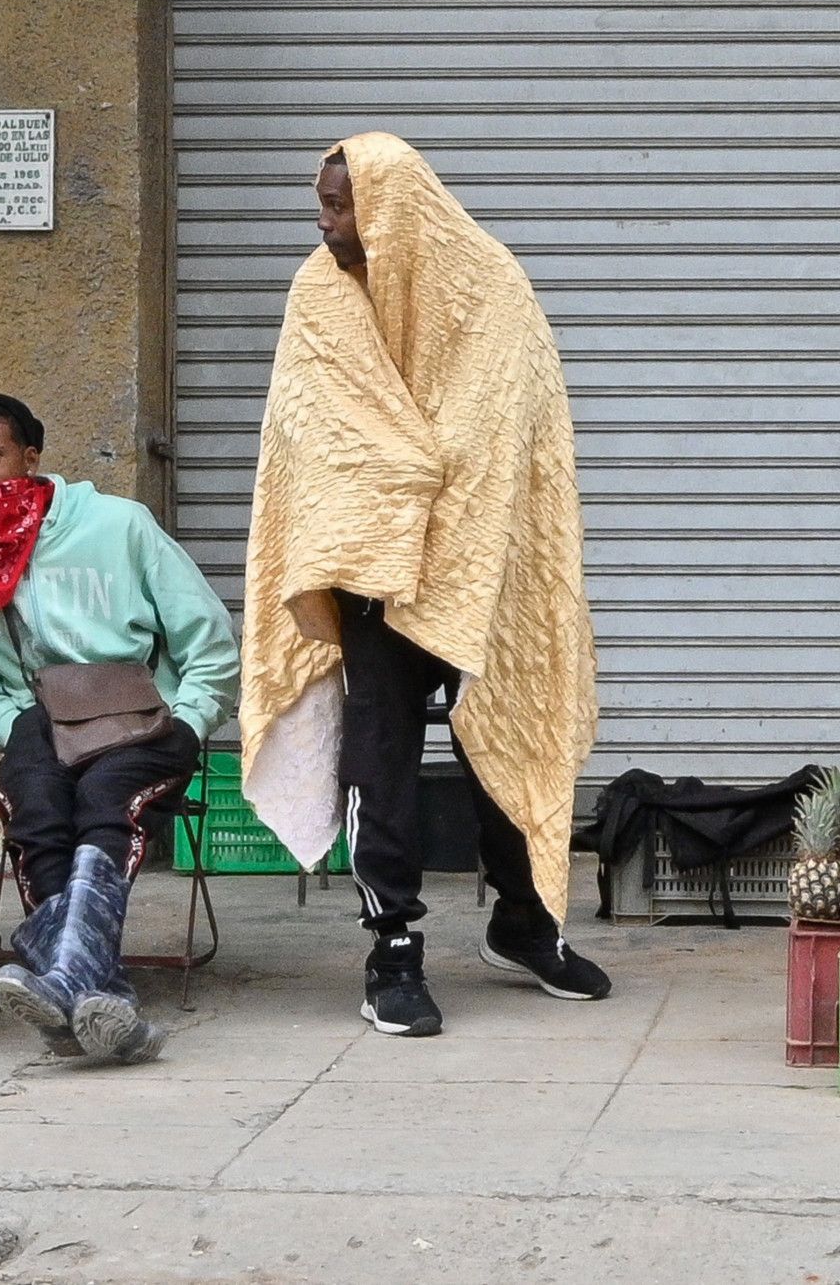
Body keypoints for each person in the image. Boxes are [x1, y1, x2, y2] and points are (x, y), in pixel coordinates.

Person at [237, 132, 608, 1039]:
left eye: (339, 206)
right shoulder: (317, 294)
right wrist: (404, 483)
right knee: (379, 752)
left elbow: (507, 430)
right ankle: (391, 946)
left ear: (391, 208)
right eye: (321, 205)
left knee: (511, 733)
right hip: (371, 566)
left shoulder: (492, 288)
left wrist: (424, 484)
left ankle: (526, 921)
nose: (324, 224)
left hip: (489, 563)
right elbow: (315, 429)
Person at [0, 392, 240, 1064]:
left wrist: (188, 721)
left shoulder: (119, 524)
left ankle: (63, 979)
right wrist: (20, 722)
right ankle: (99, 994)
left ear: (32, 457)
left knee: (105, 800)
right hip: (41, 721)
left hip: (142, 716)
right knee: (37, 807)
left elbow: (210, 640)